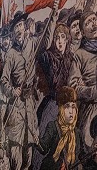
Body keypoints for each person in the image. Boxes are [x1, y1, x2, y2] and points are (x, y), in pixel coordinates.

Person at [0, 0, 58, 169]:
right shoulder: (11, 53)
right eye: (15, 28)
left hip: (30, 106)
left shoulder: (33, 44)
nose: (18, 30)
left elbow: (46, 41)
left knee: (28, 155)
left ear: (25, 26)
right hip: (16, 109)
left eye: (20, 26)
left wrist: (54, 14)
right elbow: (3, 80)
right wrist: (12, 90)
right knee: (16, 157)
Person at [34, 23, 74, 169]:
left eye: (63, 37)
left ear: (67, 39)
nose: (60, 41)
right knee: (45, 135)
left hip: (66, 105)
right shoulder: (48, 57)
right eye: (57, 37)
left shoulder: (71, 58)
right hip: (52, 103)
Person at [34, 86, 85, 170]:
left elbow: (83, 155)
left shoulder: (77, 132)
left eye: (73, 106)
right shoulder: (53, 126)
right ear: (61, 108)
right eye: (67, 106)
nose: (71, 111)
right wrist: (37, 142)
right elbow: (44, 149)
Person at [68, 11, 97, 152]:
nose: (93, 24)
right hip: (92, 109)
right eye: (88, 23)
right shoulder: (79, 55)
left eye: (94, 20)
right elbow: (74, 88)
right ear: (83, 33)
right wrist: (92, 91)